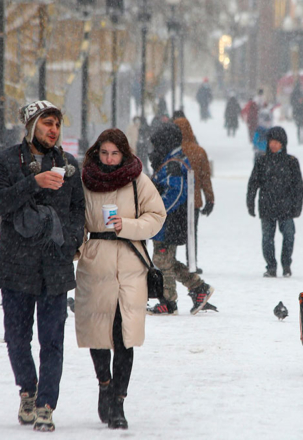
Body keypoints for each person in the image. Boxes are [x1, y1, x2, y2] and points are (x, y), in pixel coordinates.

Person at [0, 100, 85, 432]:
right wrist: (34, 182)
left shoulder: (69, 164)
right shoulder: (4, 161)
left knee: (52, 339)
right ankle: (28, 390)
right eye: (46, 124)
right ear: (31, 127)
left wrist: (70, 241)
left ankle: (45, 404)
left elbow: (76, 209)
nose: (53, 130)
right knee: (16, 337)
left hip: (54, 265)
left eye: (56, 124)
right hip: (16, 263)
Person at [75, 128, 166, 430]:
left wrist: (126, 225)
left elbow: (156, 216)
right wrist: (75, 250)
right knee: (97, 332)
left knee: (123, 335)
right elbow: (75, 220)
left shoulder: (138, 179)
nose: (110, 159)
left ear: (124, 153)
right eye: (104, 153)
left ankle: (119, 402)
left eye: (115, 153)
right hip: (95, 262)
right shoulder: (85, 180)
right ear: (96, 153)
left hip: (130, 263)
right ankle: (104, 383)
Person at [147, 122, 215, 315]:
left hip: (168, 222)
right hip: (168, 222)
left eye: (157, 145)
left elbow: (176, 192)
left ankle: (168, 302)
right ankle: (198, 288)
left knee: (162, 260)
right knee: (167, 260)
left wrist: (157, 210)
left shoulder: (174, 164)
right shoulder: (173, 160)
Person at [247, 126, 303, 278]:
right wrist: (250, 203)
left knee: (289, 235)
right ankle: (271, 266)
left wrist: (297, 206)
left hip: (287, 207)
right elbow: (253, 183)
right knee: (267, 239)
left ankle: (286, 265)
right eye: (271, 141)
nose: (274, 144)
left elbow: (299, 186)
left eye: (277, 142)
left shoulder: (291, 162)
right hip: (267, 206)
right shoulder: (262, 161)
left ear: (283, 143)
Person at [174, 117, 215, 274]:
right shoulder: (199, 151)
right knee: (192, 233)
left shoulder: (172, 152)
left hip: (175, 200)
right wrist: (210, 198)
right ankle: (192, 262)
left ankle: (171, 262)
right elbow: (205, 178)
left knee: (173, 234)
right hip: (194, 200)